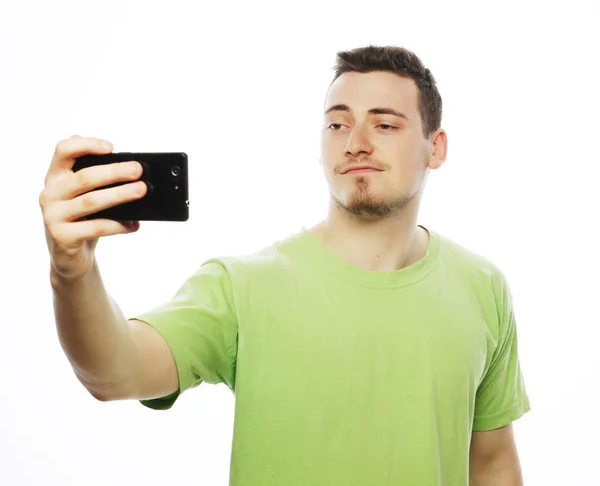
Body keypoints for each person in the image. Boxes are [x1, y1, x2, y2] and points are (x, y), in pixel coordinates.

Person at [39, 45, 531, 486]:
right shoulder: (243, 285)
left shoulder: (481, 286)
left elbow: (491, 465)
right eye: (338, 123)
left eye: (384, 123)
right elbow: (112, 372)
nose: (355, 141)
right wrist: (71, 271)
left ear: (436, 147)